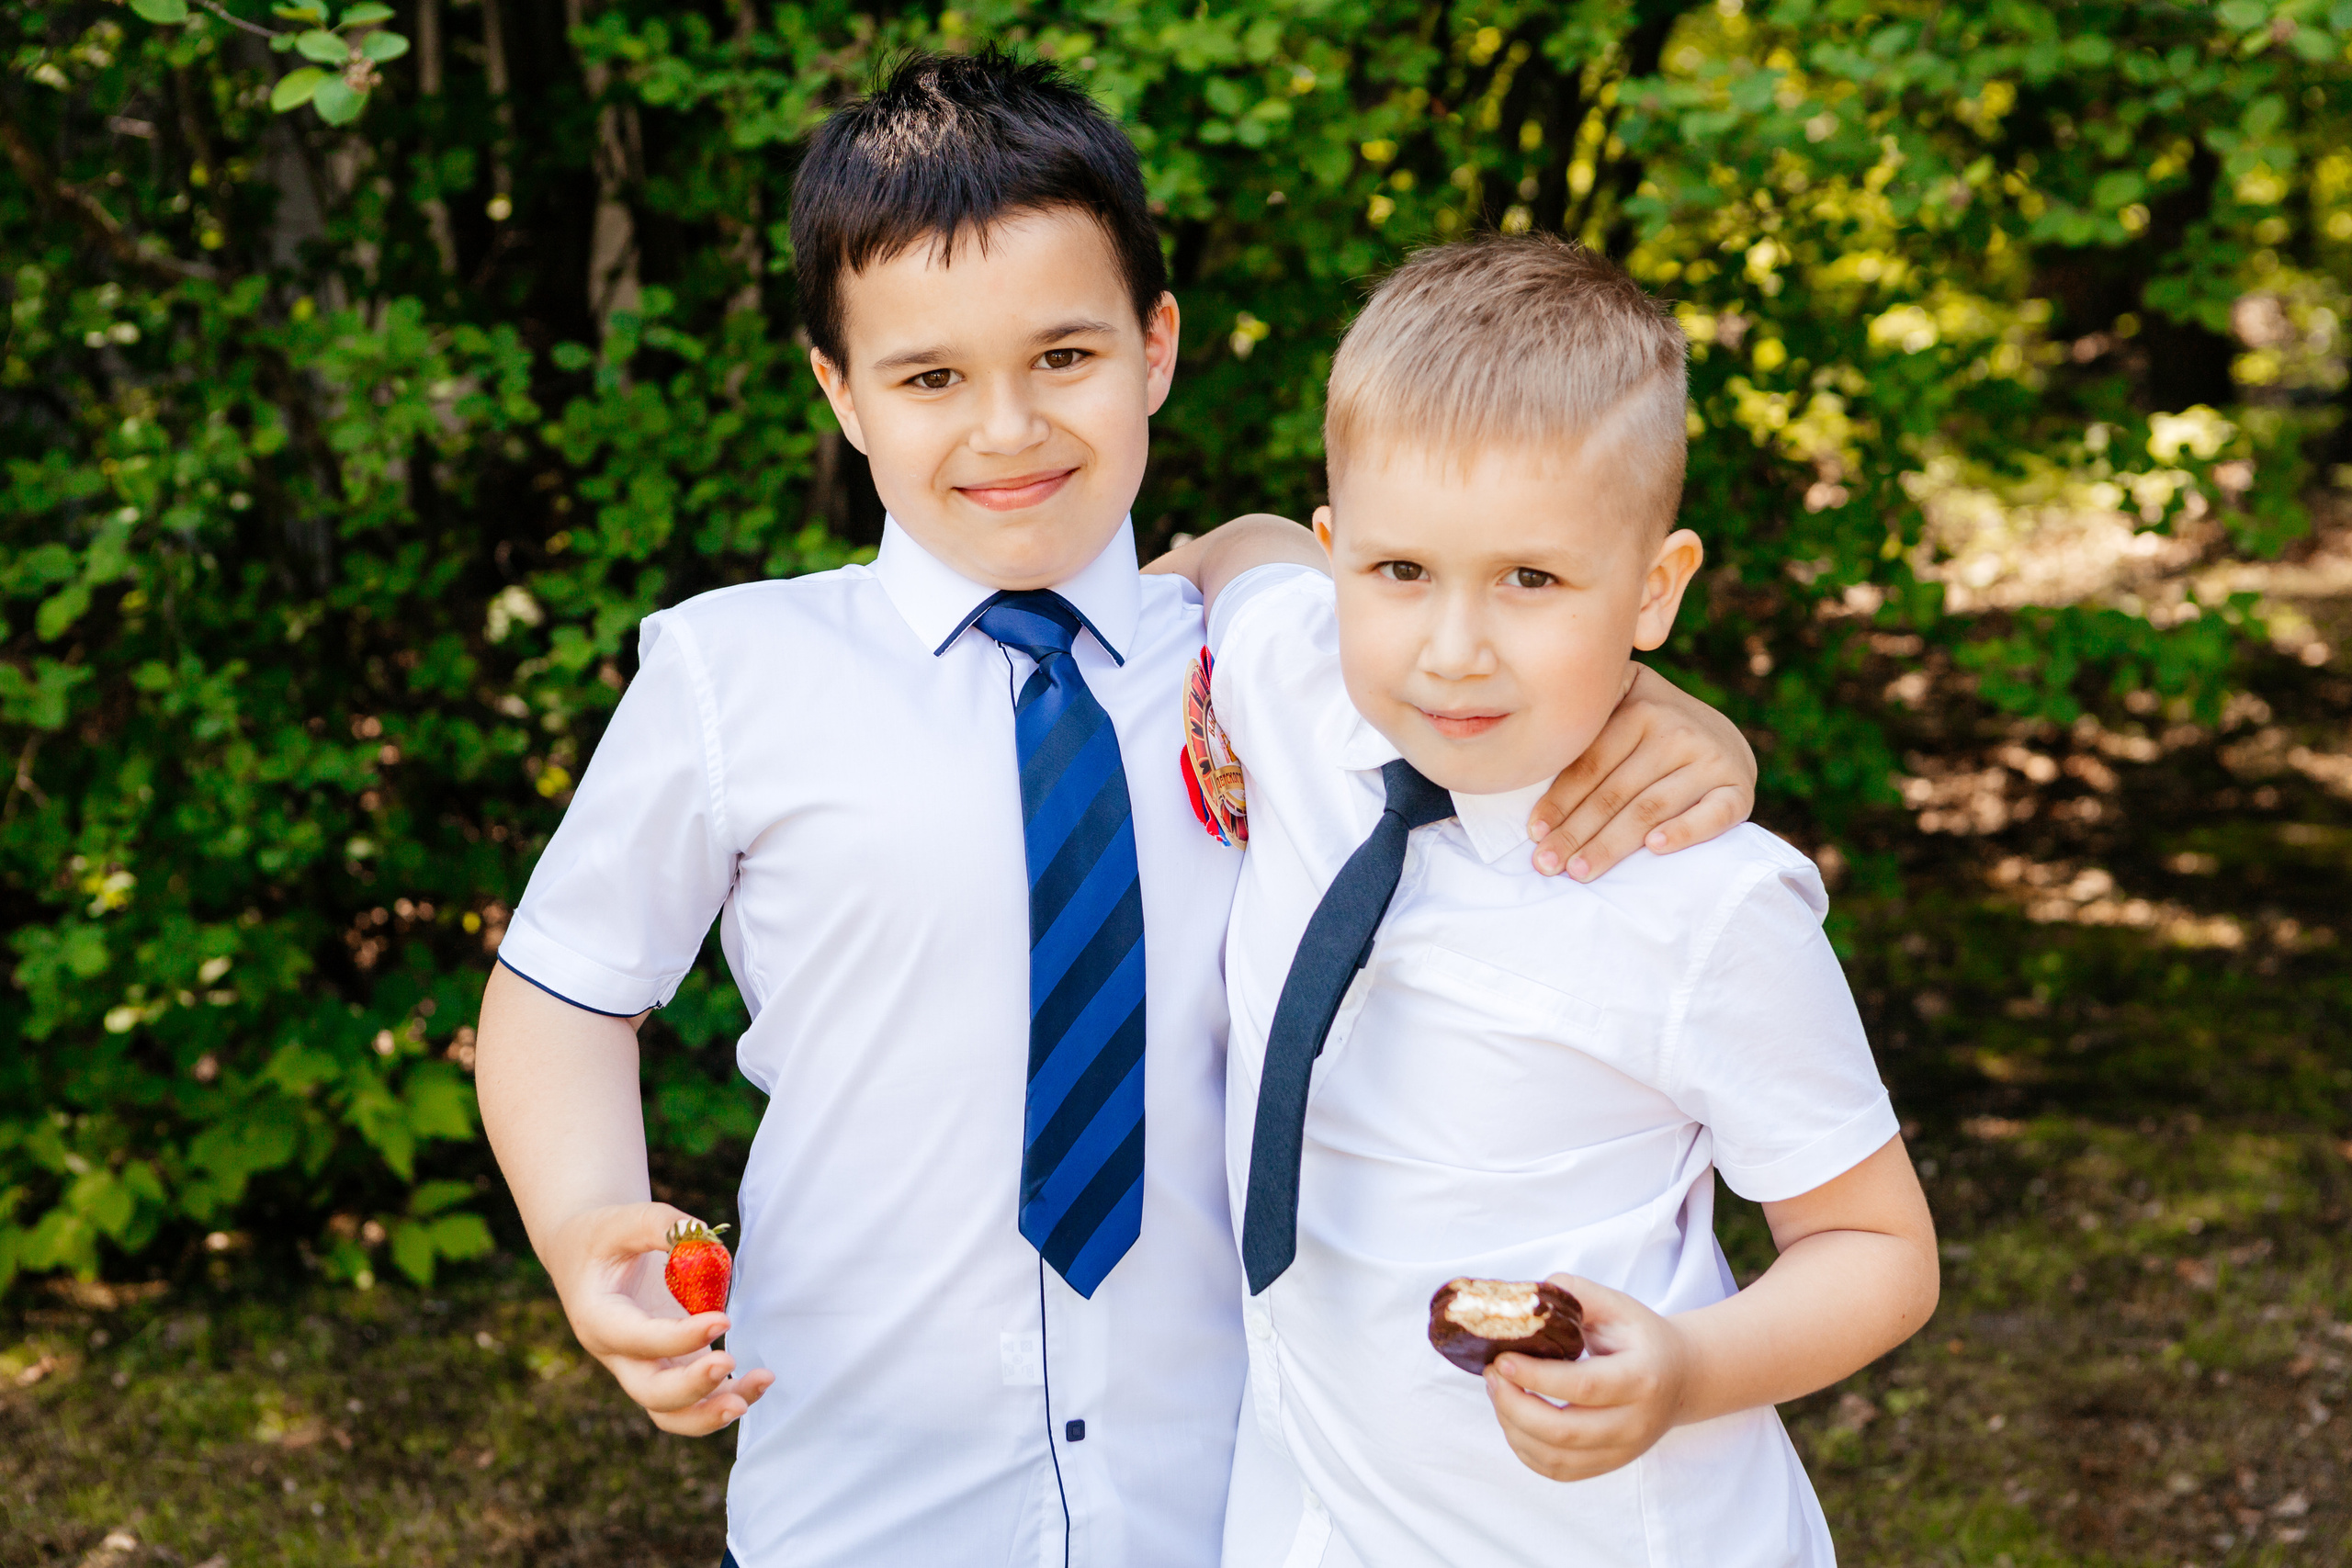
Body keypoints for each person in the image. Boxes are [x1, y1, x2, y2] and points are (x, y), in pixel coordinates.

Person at [473, 53, 1761, 1568]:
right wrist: (582, 1230)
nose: (1007, 428)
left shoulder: (1288, 661)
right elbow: (564, 990)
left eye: (1063, 357)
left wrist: (1665, 712)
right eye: (930, 377)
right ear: (840, 391)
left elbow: (1494, 654)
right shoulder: (733, 675)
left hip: (1228, 1479)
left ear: (1155, 346)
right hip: (869, 1478)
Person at [1148, 235, 1939, 1568]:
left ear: (1654, 590)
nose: (1454, 648)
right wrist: (1170, 590)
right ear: (1344, 560)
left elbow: (1877, 1248)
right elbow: (1246, 551)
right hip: (1313, 1518)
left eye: (1532, 580)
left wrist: (1686, 1368)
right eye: (1401, 573)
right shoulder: (1290, 682)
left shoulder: (1705, 904)